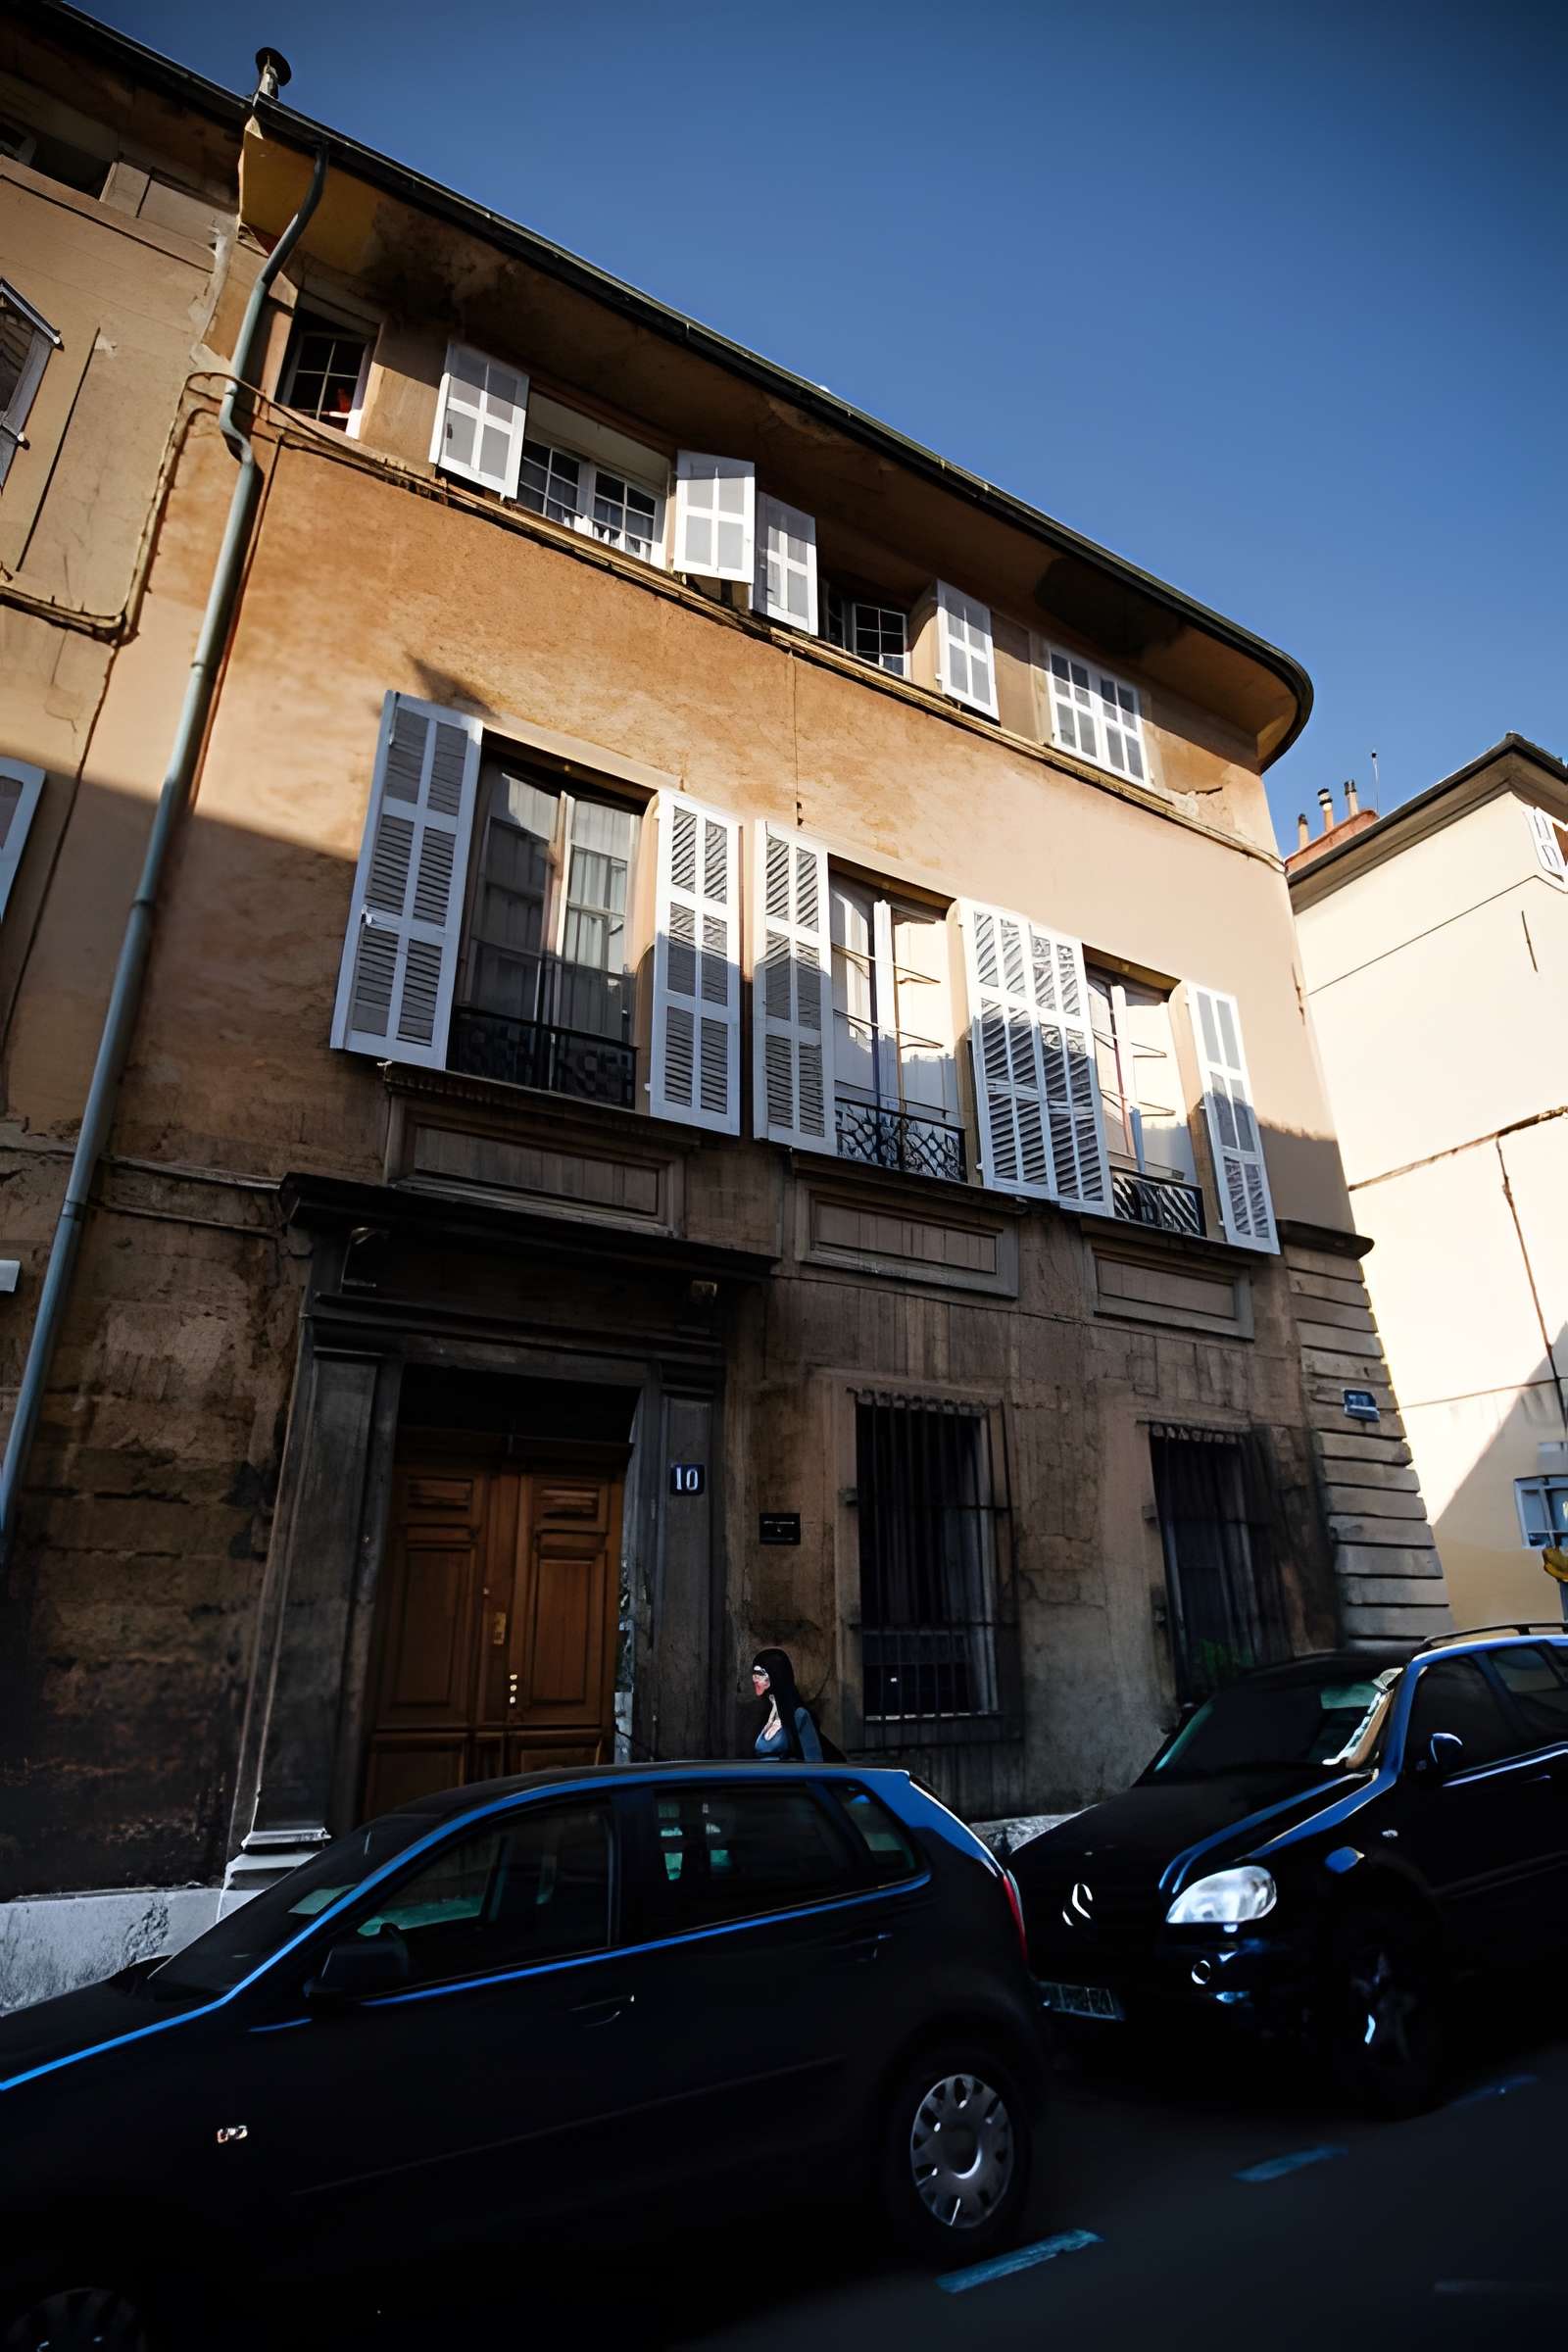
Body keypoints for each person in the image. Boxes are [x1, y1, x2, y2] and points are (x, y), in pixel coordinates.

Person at [750, 1647, 823, 1762]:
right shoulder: (765, 1717)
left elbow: (814, 1762)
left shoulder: (800, 1715)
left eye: (761, 1673)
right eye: (754, 1673)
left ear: (776, 1674)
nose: (755, 1678)